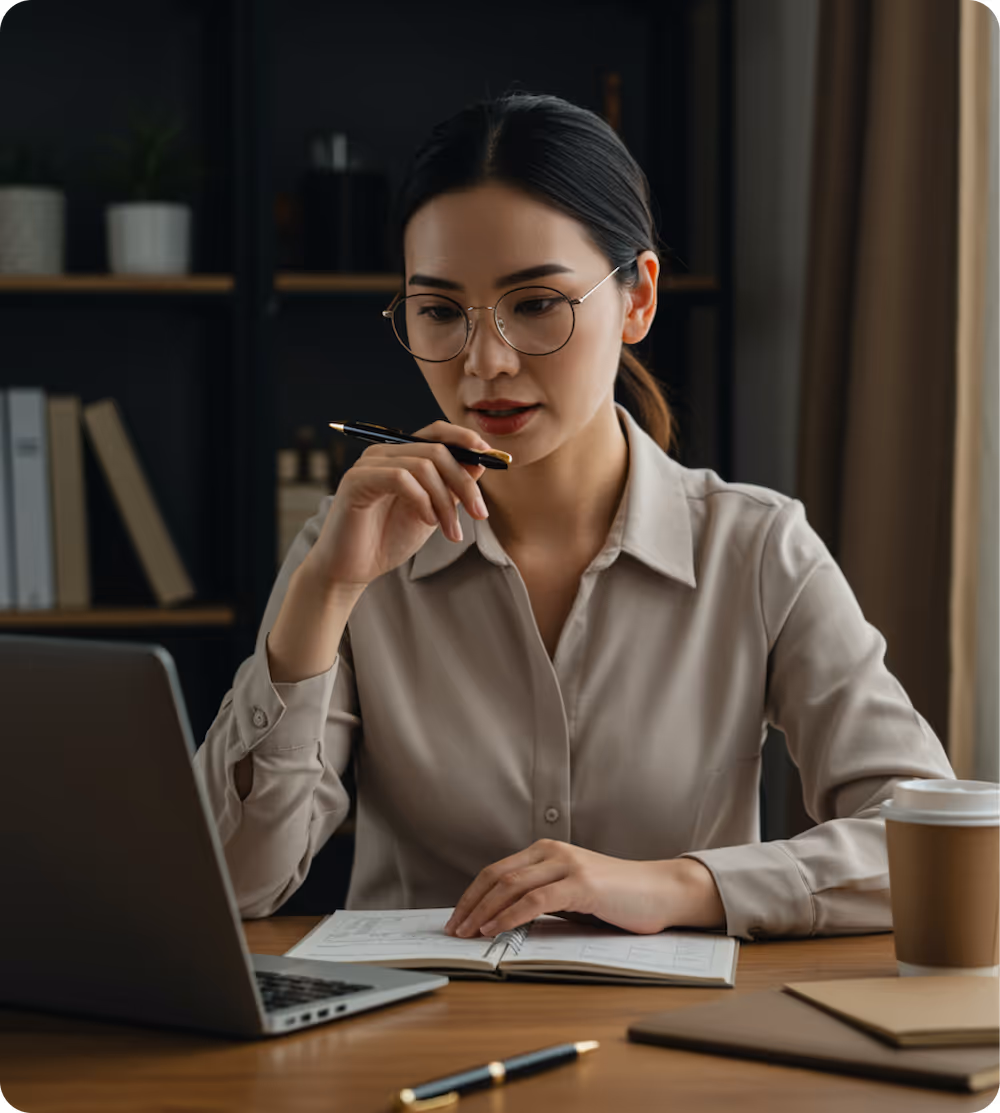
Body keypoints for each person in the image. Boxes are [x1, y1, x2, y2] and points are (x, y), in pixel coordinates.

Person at [194, 92, 954, 942]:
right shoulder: (350, 553)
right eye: (440, 312)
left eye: (536, 304)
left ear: (637, 300)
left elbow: (927, 846)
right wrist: (324, 594)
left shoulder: (757, 548)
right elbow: (230, 886)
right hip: (406, 1045)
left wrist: (677, 886)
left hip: (676, 1052)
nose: (484, 361)